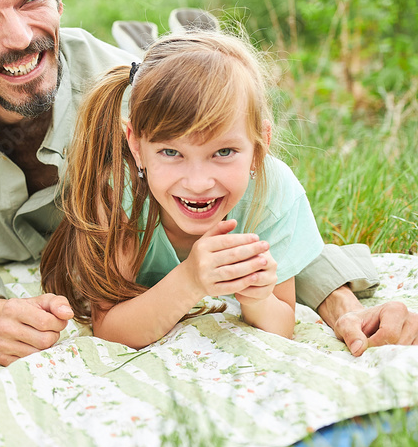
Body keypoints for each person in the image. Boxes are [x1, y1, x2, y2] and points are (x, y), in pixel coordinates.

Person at [0, 0, 418, 366]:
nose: (19, 37)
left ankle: (168, 36)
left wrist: (345, 310)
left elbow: (260, 209)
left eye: (31, 0)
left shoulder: (126, 88)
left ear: (59, 4)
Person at [40, 31, 318, 346]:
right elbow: (111, 329)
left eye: (223, 152)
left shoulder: (274, 196)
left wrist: (257, 298)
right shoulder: (122, 194)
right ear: (136, 146)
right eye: (171, 153)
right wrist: (190, 280)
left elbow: (282, 325)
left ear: (259, 146)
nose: (198, 183)